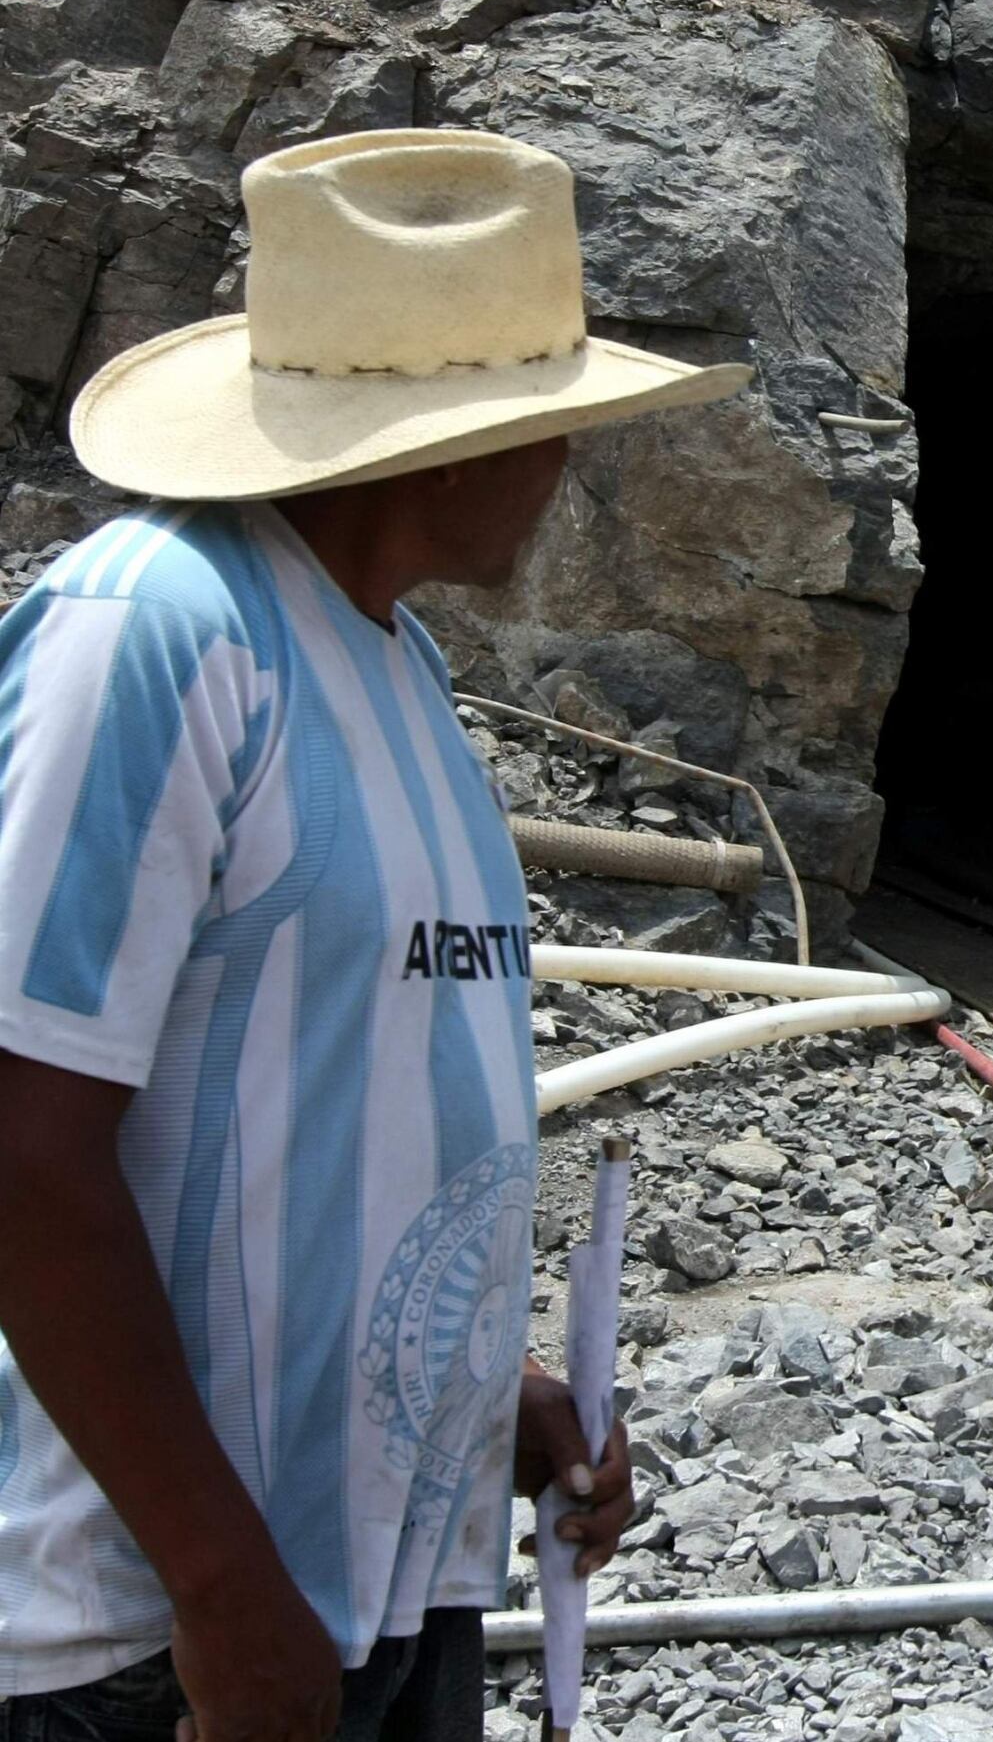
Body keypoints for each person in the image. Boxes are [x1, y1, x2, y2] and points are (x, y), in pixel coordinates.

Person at [0, 130, 748, 1737]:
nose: (567, 462)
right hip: (166, 1640)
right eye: (548, 419)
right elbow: (21, 1146)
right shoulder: (156, 633)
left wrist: (496, 1407)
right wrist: (215, 1584)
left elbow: (341, 1104)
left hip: (379, 1587)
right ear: (450, 440)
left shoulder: (397, 670)